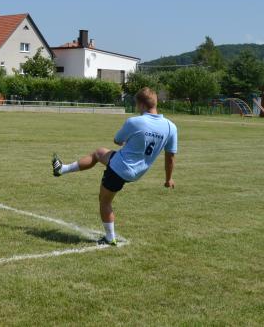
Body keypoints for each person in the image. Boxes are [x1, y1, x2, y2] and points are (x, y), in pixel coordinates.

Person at [52, 87, 178, 245]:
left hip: (121, 167)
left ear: (141, 104)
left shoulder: (134, 122)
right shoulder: (171, 127)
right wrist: (168, 179)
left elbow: (117, 140)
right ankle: (62, 169)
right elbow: (170, 157)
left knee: (104, 201)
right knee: (99, 153)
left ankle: (110, 237)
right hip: (138, 171)